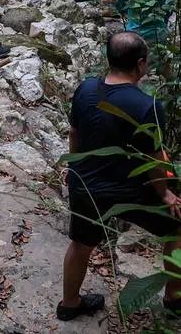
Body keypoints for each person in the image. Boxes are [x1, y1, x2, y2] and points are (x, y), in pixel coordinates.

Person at [58, 31, 181, 322]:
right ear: (140, 64)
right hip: (128, 189)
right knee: (177, 228)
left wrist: (73, 166)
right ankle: (174, 299)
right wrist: (164, 193)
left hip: (86, 184)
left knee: (80, 244)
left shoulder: (85, 89)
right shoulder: (148, 105)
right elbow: (153, 158)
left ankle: (69, 304)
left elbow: (75, 132)